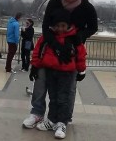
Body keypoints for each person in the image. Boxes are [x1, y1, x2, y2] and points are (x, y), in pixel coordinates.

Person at [23, 0, 98, 128]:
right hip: (49, 49)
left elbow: (93, 27)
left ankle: (63, 119)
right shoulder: (54, 2)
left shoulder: (87, 7)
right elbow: (45, 27)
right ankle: (37, 113)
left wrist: (79, 37)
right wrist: (56, 45)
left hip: (71, 53)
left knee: (67, 90)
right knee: (40, 82)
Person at [29, 9, 86, 139]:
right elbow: (38, 51)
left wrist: (81, 70)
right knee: (53, 97)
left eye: (63, 26)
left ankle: (62, 123)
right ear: (53, 26)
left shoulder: (74, 38)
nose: (60, 29)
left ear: (68, 26)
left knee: (63, 99)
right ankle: (52, 120)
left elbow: (81, 55)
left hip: (66, 73)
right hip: (51, 71)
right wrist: (35, 66)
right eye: (57, 26)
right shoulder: (48, 37)